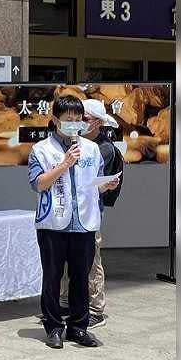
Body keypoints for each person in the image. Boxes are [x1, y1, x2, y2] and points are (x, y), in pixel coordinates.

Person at [28, 95, 120, 349]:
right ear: (55, 120)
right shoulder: (42, 149)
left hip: (85, 223)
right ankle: (54, 327)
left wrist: (107, 185)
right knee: (53, 277)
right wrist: (65, 163)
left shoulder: (91, 149)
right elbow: (38, 184)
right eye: (68, 120)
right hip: (53, 223)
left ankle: (79, 328)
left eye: (78, 120)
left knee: (81, 277)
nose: (74, 125)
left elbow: (94, 186)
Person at [60, 99, 124, 329]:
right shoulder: (73, 142)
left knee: (91, 260)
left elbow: (89, 182)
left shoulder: (103, 149)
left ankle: (95, 308)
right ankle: (66, 302)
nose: (78, 122)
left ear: (97, 122)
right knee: (68, 258)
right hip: (69, 211)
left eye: (83, 118)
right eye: (74, 118)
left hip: (89, 213)